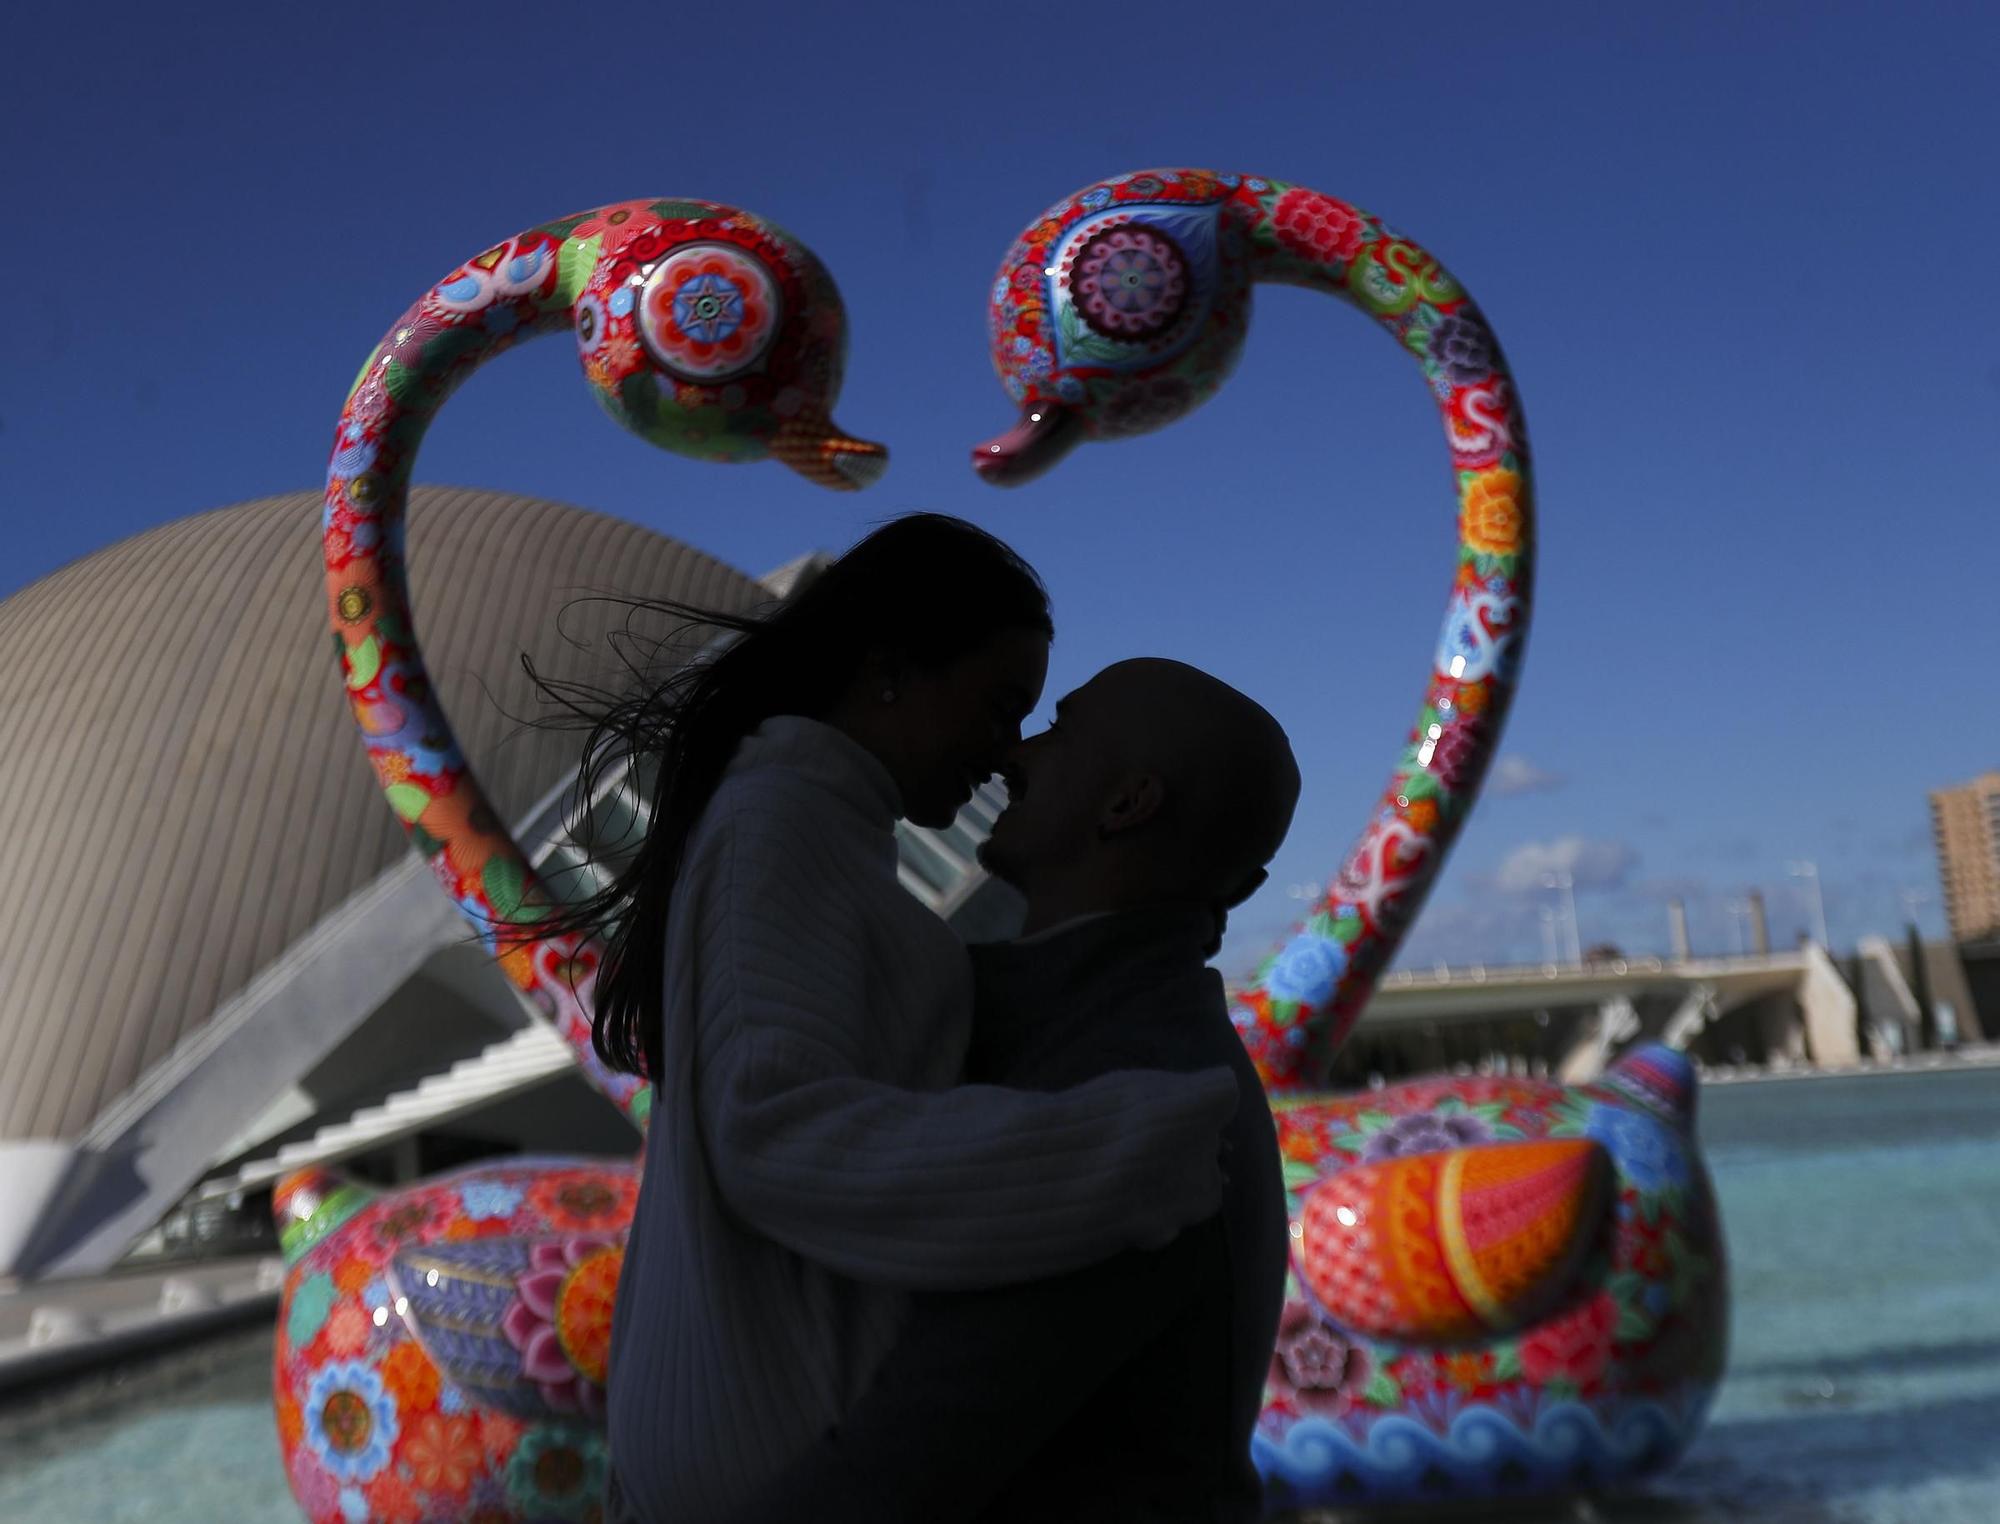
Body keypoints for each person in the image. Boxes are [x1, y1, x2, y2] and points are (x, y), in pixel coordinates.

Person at [544, 516, 1243, 1522]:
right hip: (777, 1453)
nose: (1005, 754)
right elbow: (770, 1126)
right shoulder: (779, 826)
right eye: (1000, 707)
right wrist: (1114, 1153)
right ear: (887, 672)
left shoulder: (810, 825)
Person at [729, 657, 1302, 1523]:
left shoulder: (1133, 1099)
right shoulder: (1150, 1056)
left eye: (1058, 730)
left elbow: (898, 1471)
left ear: (1125, 806)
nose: (1012, 755)